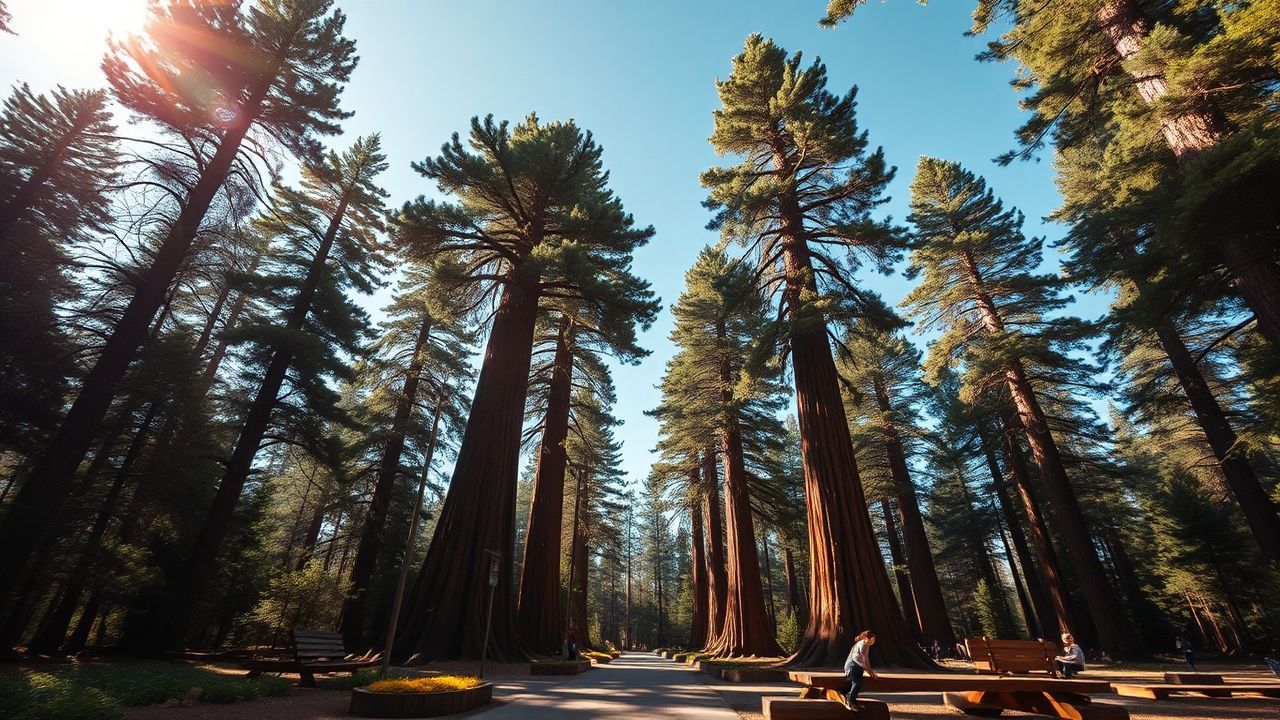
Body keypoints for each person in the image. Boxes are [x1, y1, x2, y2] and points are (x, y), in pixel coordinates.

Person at [843, 630, 878, 708]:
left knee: (856, 683)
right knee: (857, 682)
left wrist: (871, 673)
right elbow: (865, 661)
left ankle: (850, 698)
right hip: (852, 666)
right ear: (866, 638)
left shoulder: (865, 643)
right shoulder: (864, 645)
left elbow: (864, 662)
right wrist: (871, 674)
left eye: (874, 638)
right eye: (872, 639)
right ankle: (851, 702)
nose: (873, 641)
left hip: (854, 666)